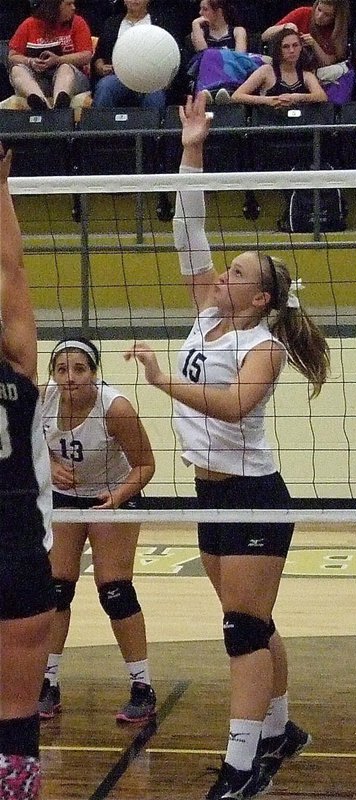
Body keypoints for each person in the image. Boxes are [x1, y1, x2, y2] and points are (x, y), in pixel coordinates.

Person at [125, 93, 330, 800]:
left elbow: (237, 403)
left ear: (261, 297)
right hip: (212, 492)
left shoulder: (262, 345)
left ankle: (243, 768)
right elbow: (189, 228)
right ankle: (280, 731)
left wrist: (159, 380)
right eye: (227, 268)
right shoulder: (209, 319)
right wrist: (191, 149)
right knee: (251, 621)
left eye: (238, 273)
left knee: (242, 631)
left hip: (252, 495)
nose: (222, 275)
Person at [38, 337, 156, 724]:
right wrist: (47, 468)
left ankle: (142, 685)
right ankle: (47, 682)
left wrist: (116, 495)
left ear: (93, 372)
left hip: (114, 493)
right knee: (56, 587)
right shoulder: (41, 401)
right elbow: (24, 449)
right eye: (61, 369)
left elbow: (145, 465)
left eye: (79, 369)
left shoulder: (115, 408)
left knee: (115, 590)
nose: (69, 378)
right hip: (64, 497)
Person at [0, 143, 55, 799]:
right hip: (18, 555)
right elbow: (11, 270)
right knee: (15, 724)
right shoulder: (18, 372)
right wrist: (2, 188)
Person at [8, 0, 93, 111]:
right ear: (54, 6)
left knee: (65, 67)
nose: (73, 7)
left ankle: (60, 104)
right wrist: (30, 61)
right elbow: (12, 56)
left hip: (72, 79)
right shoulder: (29, 24)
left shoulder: (78, 22)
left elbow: (87, 55)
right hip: (38, 79)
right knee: (16, 70)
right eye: (68, 4)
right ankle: (41, 103)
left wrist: (58, 60)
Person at [91, 0, 167, 111]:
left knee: (155, 94)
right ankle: (99, 127)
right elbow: (99, 56)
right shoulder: (111, 23)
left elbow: (170, 54)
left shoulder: (161, 23)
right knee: (105, 86)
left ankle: (152, 128)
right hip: (118, 76)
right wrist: (101, 67)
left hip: (150, 78)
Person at [188, 0, 265, 104]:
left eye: (205, 9)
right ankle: (208, 92)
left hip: (232, 73)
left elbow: (239, 57)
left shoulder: (237, 31)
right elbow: (201, 52)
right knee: (207, 55)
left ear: (219, 12)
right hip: (207, 77)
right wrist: (195, 24)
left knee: (214, 54)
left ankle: (225, 89)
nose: (200, 13)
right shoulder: (199, 33)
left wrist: (220, 55)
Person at [232, 28, 327, 106]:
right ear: (278, 49)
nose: (291, 50)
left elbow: (321, 96)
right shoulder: (266, 71)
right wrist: (267, 100)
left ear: (301, 47)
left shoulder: (306, 75)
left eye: (295, 45)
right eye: (286, 47)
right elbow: (237, 96)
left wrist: (296, 97)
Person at [261, 0, 350, 69]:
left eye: (327, 15)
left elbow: (329, 63)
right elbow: (265, 36)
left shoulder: (336, 30)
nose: (319, 16)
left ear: (336, 17)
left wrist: (314, 45)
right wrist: (285, 26)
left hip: (316, 70)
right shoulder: (303, 12)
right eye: (319, 10)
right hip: (286, 66)